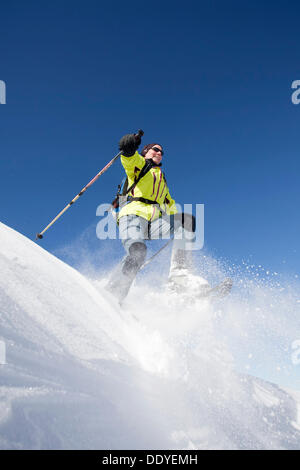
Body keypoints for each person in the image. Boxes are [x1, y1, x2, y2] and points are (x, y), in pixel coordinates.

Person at [106, 132, 209, 303]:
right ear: (145, 152)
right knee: (137, 252)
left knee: (186, 221)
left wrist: (179, 223)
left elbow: (171, 206)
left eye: (161, 152)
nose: (159, 153)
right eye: (155, 149)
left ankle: (179, 277)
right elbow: (129, 158)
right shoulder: (139, 166)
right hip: (132, 217)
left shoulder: (162, 182)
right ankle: (113, 295)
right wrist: (130, 146)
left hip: (153, 223)